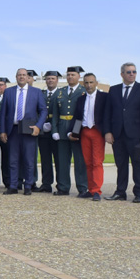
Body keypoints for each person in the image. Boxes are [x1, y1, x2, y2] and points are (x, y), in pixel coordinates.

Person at [104, 62, 140, 203]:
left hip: (136, 134)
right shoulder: (113, 90)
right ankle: (120, 192)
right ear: (122, 74)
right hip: (118, 134)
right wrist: (108, 131)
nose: (132, 74)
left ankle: (139, 193)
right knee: (121, 165)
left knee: (138, 164)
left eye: (134, 72)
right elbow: (108, 113)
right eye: (129, 72)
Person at [0, 68, 47, 195]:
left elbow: (43, 111)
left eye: (24, 75)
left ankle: (28, 186)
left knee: (29, 160)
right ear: (16, 77)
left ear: (28, 78)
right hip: (13, 129)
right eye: (19, 75)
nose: (21, 77)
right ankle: (13, 186)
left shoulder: (36, 92)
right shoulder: (8, 92)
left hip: (29, 130)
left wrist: (38, 126)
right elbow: (3, 113)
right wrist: (3, 131)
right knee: (13, 160)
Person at [50, 66, 87, 196]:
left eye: (73, 74)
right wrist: (54, 130)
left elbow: (83, 114)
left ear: (79, 76)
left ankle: (82, 188)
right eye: (68, 75)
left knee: (80, 162)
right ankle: (63, 187)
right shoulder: (60, 92)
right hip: (61, 130)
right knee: (62, 162)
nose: (70, 77)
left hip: (77, 130)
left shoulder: (83, 91)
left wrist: (75, 132)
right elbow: (55, 114)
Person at [70, 73, 107, 201]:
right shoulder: (81, 99)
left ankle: (97, 190)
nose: (89, 85)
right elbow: (77, 117)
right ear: (83, 84)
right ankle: (91, 190)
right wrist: (73, 133)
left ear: (96, 83)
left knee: (97, 162)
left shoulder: (104, 97)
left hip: (97, 131)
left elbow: (108, 116)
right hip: (84, 132)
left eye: (91, 82)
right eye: (86, 82)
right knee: (88, 162)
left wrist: (108, 132)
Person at [35, 70, 61, 193]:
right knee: (45, 159)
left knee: (59, 159)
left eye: (52, 78)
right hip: (43, 130)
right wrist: (41, 124)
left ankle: (61, 184)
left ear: (57, 80)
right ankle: (46, 183)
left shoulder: (61, 93)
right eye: (48, 78)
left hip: (57, 131)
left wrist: (54, 125)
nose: (50, 80)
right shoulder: (41, 94)